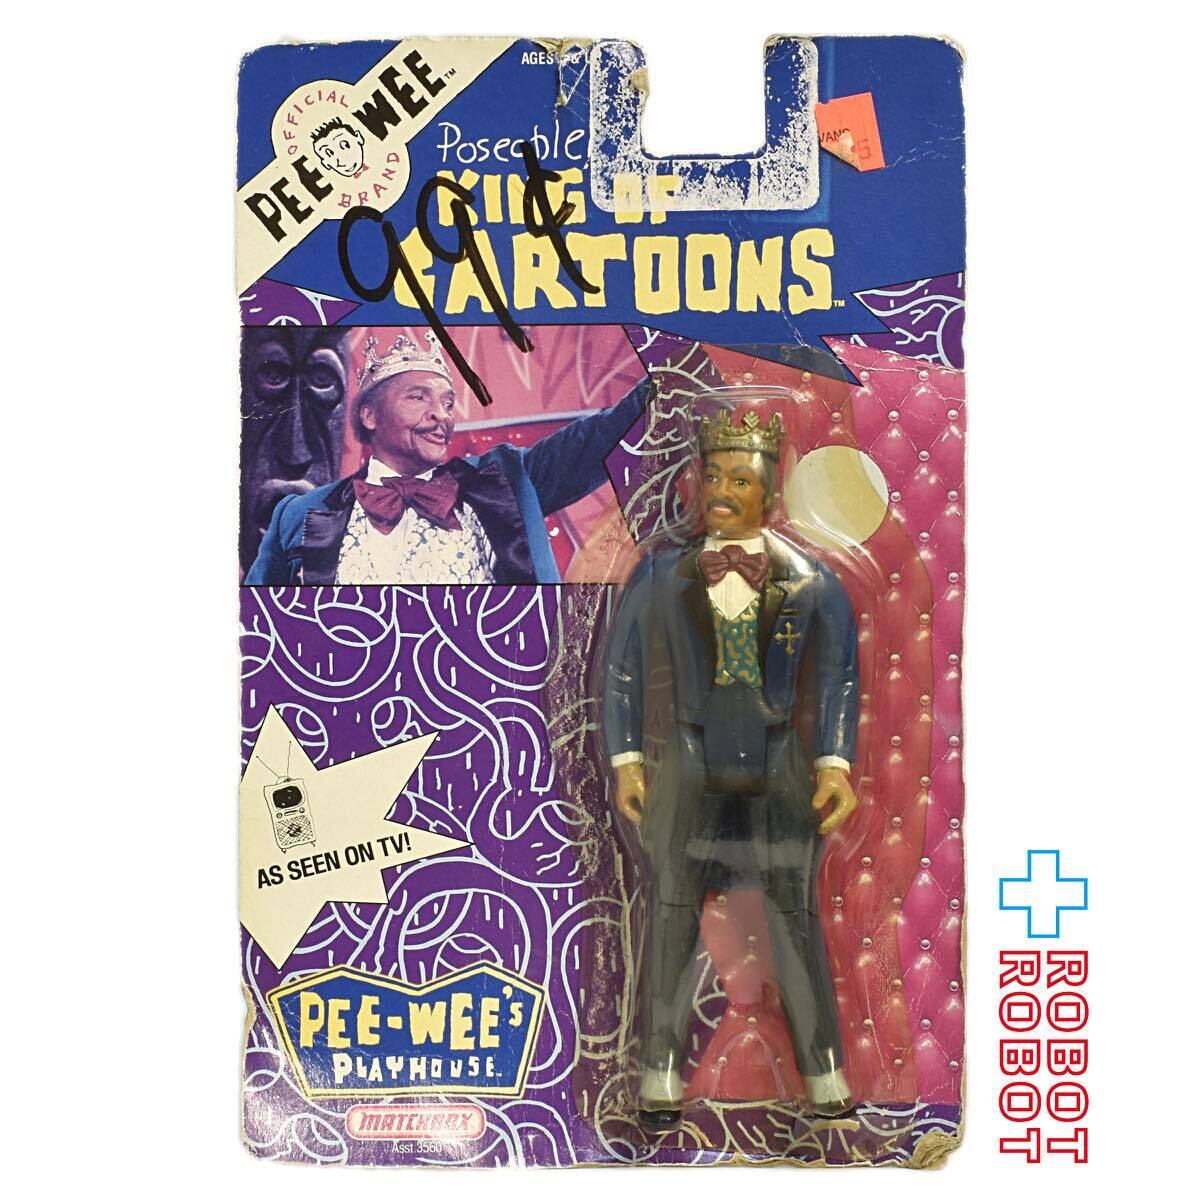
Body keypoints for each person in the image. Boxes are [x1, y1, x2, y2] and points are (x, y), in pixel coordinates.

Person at [602, 408, 860, 1127]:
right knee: (672, 916)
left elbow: (839, 675)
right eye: (712, 475)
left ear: (770, 492)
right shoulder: (662, 575)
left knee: (795, 915)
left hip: (779, 764)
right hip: (689, 761)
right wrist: (627, 762)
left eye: (739, 480)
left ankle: (824, 1070)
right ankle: (658, 1070)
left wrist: (834, 764)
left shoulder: (810, 580)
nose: (720, 491)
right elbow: (621, 671)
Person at [245, 330, 649, 585]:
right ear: (369, 415)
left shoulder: (510, 478)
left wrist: (669, 368)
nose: (440, 414)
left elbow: (611, 432)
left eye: (447, 403)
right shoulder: (297, 514)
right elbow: (261, 628)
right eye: (418, 398)